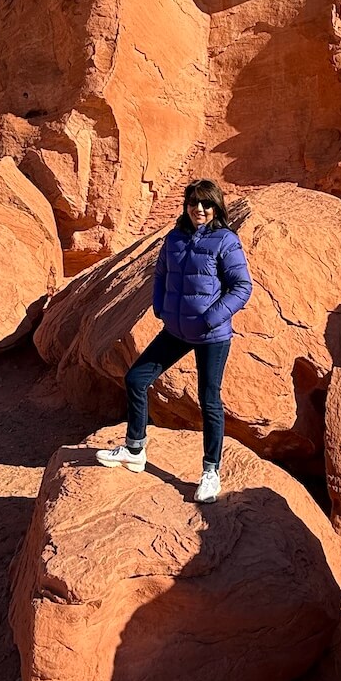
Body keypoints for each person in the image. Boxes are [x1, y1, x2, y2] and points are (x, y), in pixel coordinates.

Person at [96, 179, 253, 502]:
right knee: (136, 379)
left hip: (211, 336)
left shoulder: (225, 240)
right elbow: (161, 275)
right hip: (176, 331)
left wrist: (210, 318)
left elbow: (242, 287)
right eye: (194, 202)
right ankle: (135, 450)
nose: (199, 209)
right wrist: (161, 307)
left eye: (206, 204)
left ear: (216, 207)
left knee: (209, 400)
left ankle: (211, 472)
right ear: (186, 205)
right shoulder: (174, 239)